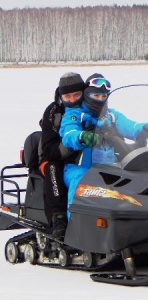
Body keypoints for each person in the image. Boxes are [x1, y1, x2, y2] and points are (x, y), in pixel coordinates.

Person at [59, 73, 148, 219]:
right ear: (87, 95)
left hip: (109, 167)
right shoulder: (76, 114)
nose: (100, 100)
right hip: (79, 167)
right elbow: (68, 132)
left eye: (104, 97)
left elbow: (131, 126)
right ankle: (74, 226)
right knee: (81, 180)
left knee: (135, 179)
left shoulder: (111, 115)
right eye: (96, 96)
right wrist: (82, 136)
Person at [39, 72, 85, 239]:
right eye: (67, 96)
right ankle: (58, 217)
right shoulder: (54, 112)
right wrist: (73, 145)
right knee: (52, 168)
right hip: (54, 156)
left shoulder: (92, 107)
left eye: (76, 95)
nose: (72, 100)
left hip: (85, 156)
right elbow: (48, 148)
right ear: (61, 95)